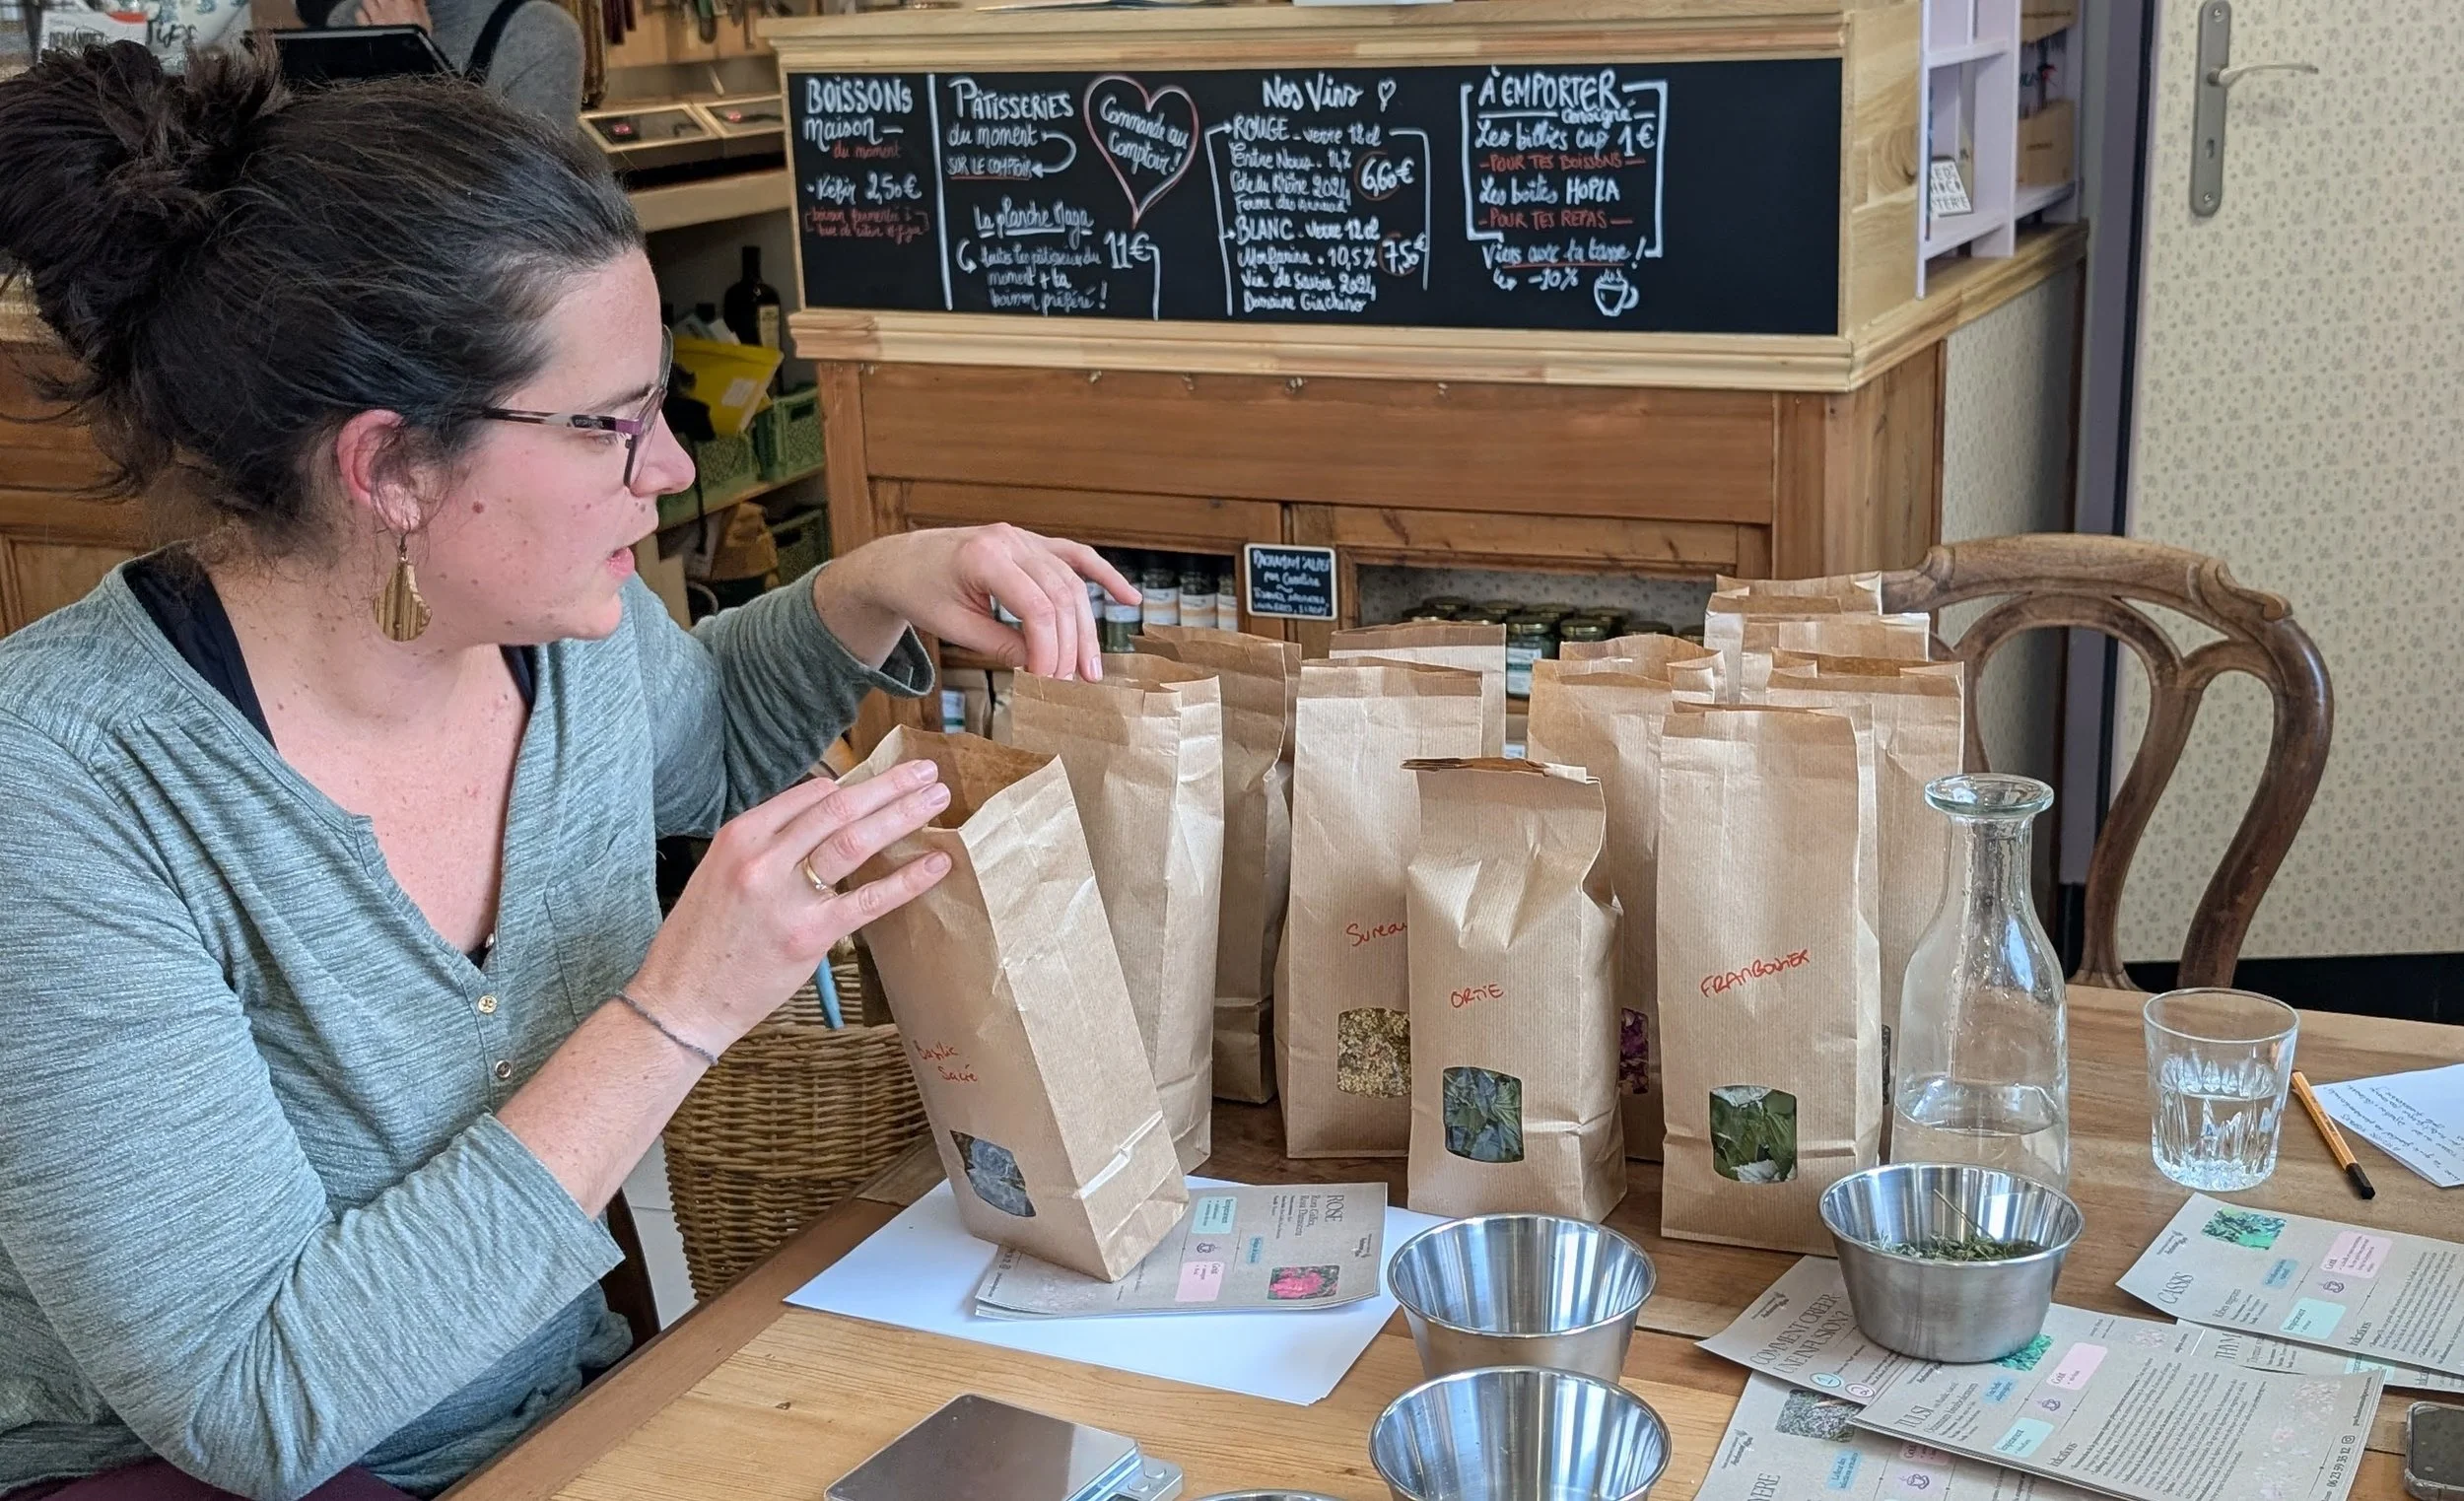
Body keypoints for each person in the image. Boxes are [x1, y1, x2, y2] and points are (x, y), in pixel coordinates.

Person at [0, 41, 1132, 1501]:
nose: (670, 470)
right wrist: (677, 1012)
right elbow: (256, 1400)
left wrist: (876, 584)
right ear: (391, 468)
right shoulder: (64, 792)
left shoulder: (556, 634)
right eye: (609, 424)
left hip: (563, 1420)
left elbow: (703, 747)